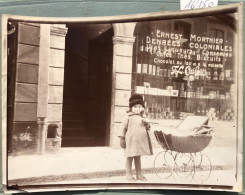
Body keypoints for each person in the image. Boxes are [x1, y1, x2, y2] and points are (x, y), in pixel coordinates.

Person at [118, 94, 153, 181]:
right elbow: (122, 128)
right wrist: (121, 138)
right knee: (129, 157)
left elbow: (147, 128)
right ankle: (129, 174)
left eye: (140, 106)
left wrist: (147, 124)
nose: (138, 108)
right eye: (135, 106)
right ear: (131, 108)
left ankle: (139, 174)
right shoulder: (128, 117)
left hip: (139, 142)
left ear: (143, 108)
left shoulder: (143, 117)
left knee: (138, 157)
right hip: (130, 141)